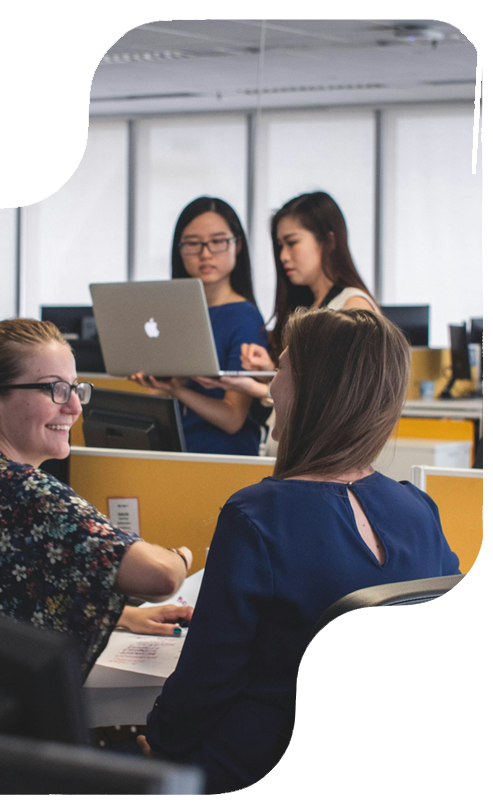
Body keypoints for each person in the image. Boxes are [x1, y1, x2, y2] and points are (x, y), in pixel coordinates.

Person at [137, 308, 461, 794]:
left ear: (313, 389)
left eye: (281, 370)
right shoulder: (418, 509)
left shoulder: (257, 516)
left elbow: (207, 681)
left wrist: (157, 741)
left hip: (249, 763)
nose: (270, 388)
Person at [0, 318, 193, 680]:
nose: (74, 407)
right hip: (5, 721)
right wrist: (182, 556)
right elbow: (161, 576)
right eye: (54, 389)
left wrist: (123, 615)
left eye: (75, 388)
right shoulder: (15, 487)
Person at [206, 191, 380, 406]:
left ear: (328, 240)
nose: (283, 256)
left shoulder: (353, 307)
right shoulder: (310, 305)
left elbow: (339, 402)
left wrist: (257, 388)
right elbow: (309, 383)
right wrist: (270, 371)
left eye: (292, 242)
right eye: (280, 245)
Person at [131, 196, 269, 456]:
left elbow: (233, 418)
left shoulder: (243, 316)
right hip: (175, 451)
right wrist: (161, 385)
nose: (205, 253)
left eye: (217, 242)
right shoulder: (176, 312)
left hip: (220, 458)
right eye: (193, 244)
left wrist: (178, 390)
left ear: (237, 245)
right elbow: (171, 394)